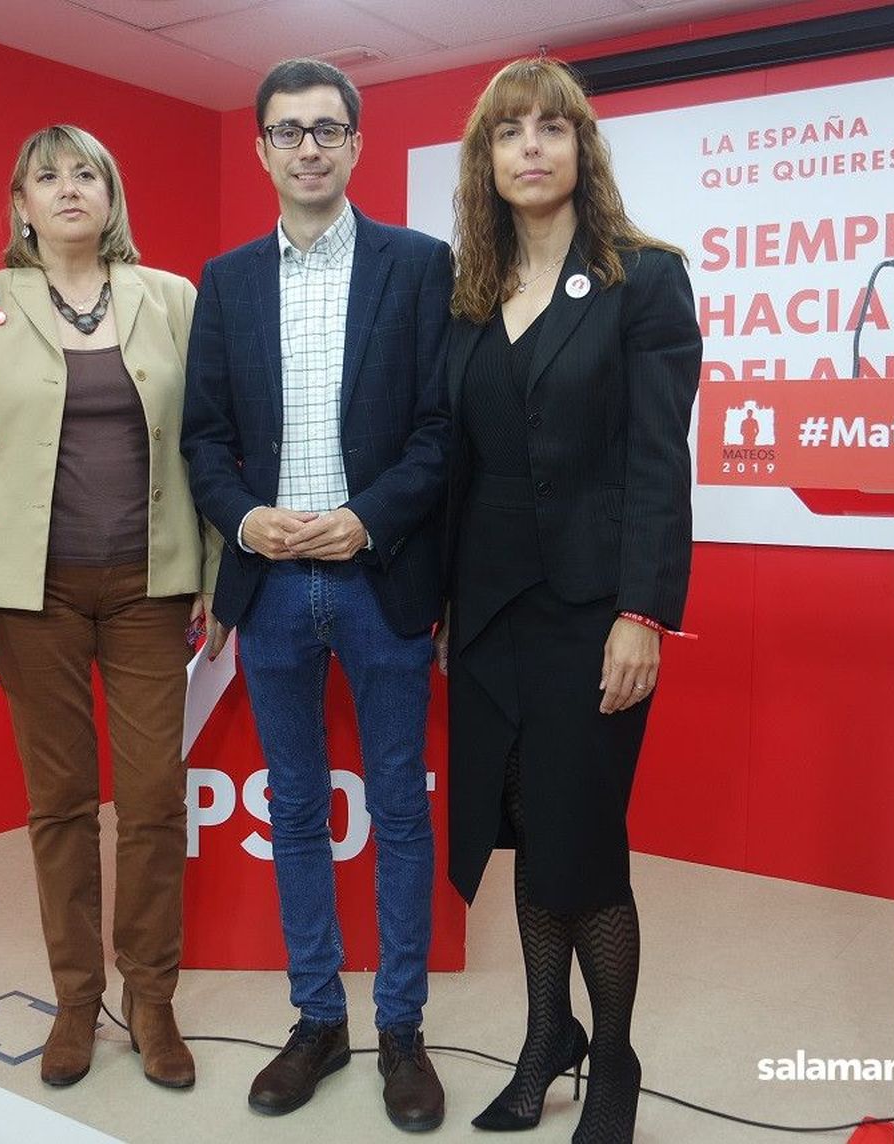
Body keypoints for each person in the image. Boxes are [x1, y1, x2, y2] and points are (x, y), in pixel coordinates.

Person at [180, 58, 451, 1133]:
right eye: (287, 131)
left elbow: (440, 433)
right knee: (295, 808)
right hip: (274, 588)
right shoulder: (227, 279)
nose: (306, 148)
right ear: (260, 148)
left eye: (326, 130)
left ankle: (401, 1029)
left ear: (355, 146)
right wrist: (246, 519)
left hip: (381, 577)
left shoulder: (418, 268)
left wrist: (368, 514)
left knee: (395, 807)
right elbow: (203, 437)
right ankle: (317, 1021)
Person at [439, 58, 702, 1144]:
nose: (531, 147)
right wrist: (445, 608)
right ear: (486, 160)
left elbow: (657, 461)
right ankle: (548, 1037)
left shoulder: (644, 276)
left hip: (593, 612)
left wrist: (643, 611)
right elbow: (456, 462)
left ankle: (616, 1060)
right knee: (525, 833)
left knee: (581, 845)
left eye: (553, 128)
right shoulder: (467, 293)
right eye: (510, 132)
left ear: (582, 149)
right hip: (489, 613)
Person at [0, 124, 217, 1091]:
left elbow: (213, 442)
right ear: (19, 204)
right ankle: (72, 997)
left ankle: (152, 999)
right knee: (58, 805)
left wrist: (217, 574)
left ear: (111, 193)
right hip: (30, 595)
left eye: (84, 172)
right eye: (45, 177)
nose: (67, 189)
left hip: (150, 587)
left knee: (152, 802)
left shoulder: (170, 297)